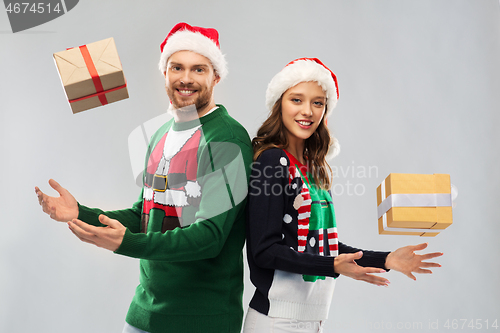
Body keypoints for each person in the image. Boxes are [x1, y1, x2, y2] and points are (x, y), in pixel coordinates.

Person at [35, 22, 253, 333]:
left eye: (199, 69)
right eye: (177, 67)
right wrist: (80, 212)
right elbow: (144, 214)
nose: (186, 78)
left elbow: (209, 237)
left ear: (216, 76)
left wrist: (128, 243)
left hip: (201, 318)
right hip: (144, 313)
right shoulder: (162, 135)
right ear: (165, 73)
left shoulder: (228, 139)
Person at [244, 57, 443, 333]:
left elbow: (320, 245)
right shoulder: (272, 162)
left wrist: (385, 259)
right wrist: (333, 265)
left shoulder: (311, 169)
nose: (307, 111)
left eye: (317, 102)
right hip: (276, 321)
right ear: (280, 104)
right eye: (296, 100)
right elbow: (264, 251)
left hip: (312, 320)